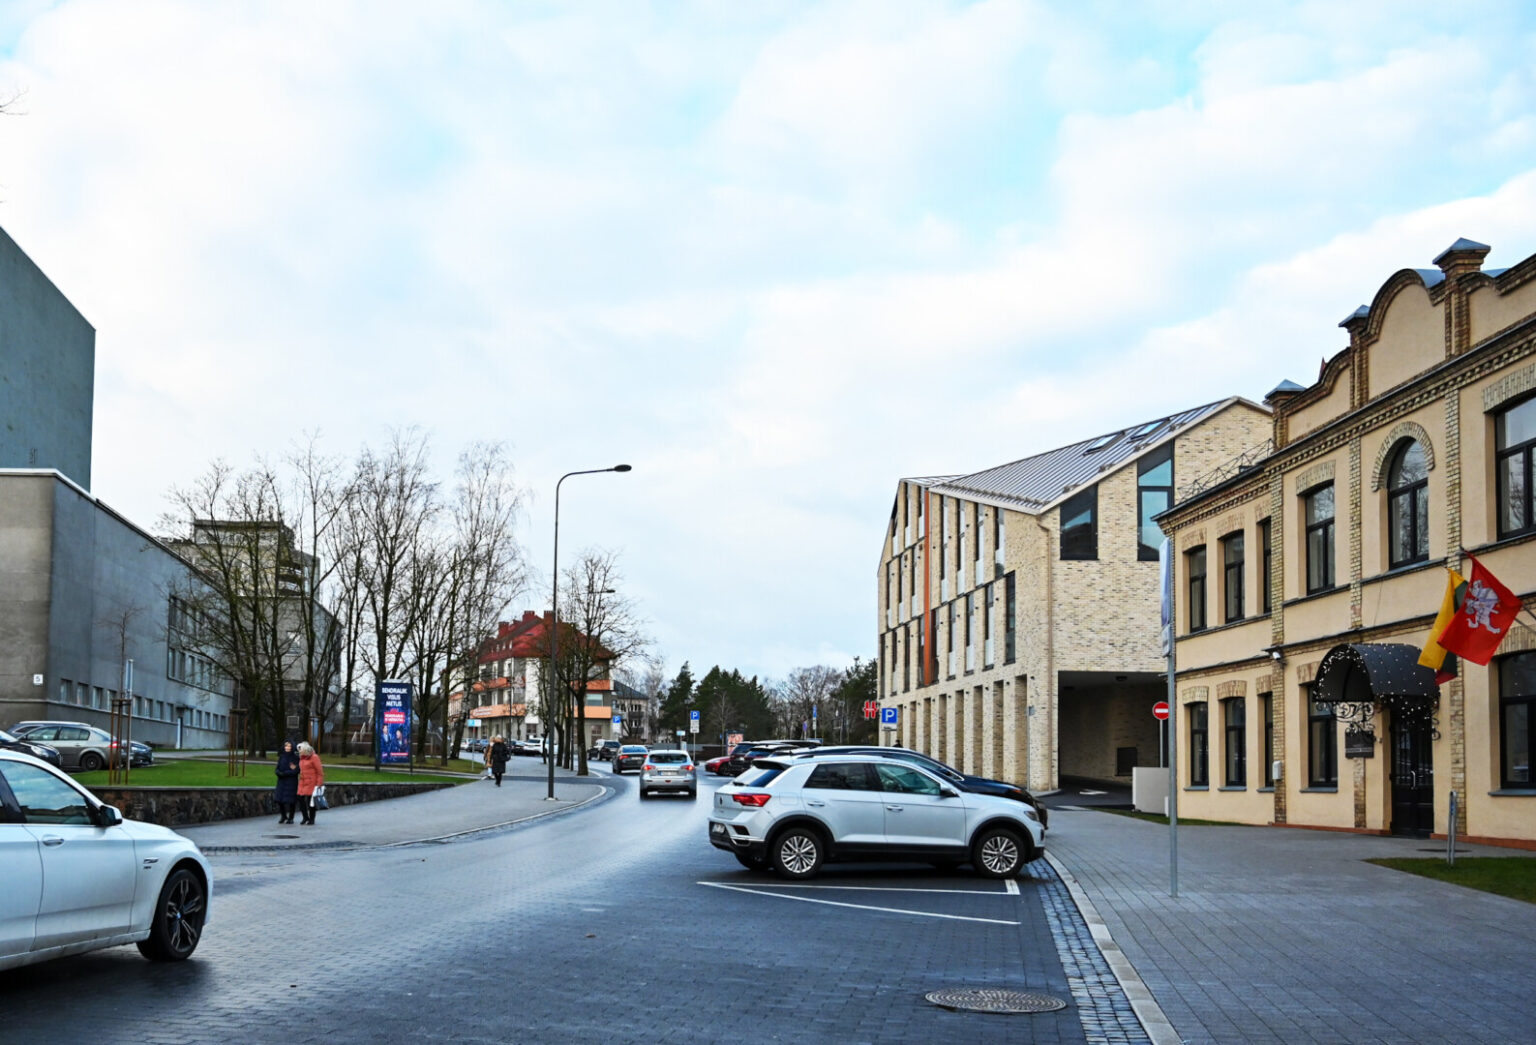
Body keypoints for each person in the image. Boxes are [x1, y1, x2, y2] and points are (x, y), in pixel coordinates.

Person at [297, 741, 325, 825]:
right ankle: (305, 817)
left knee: (311, 801)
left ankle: (311, 818)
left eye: (300, 749)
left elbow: (319, 772)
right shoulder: (302, 758)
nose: (299, 751)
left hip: (312, 782)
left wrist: (318, 784)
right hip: (303, 781)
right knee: (300, 799)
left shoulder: (314, 757)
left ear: (305, 749)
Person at [274, 740, 300, 824]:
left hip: (291, 781)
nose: (287, 748)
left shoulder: (295, 758)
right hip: (281, 780)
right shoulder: (282, 756)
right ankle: (283, 815)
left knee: (291, 800)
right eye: (286, 746)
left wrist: (286, 773)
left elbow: (296, 770)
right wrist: (278, 772)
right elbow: (277, 767)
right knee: (279, 799)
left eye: (289, 746)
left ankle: (291, 817)